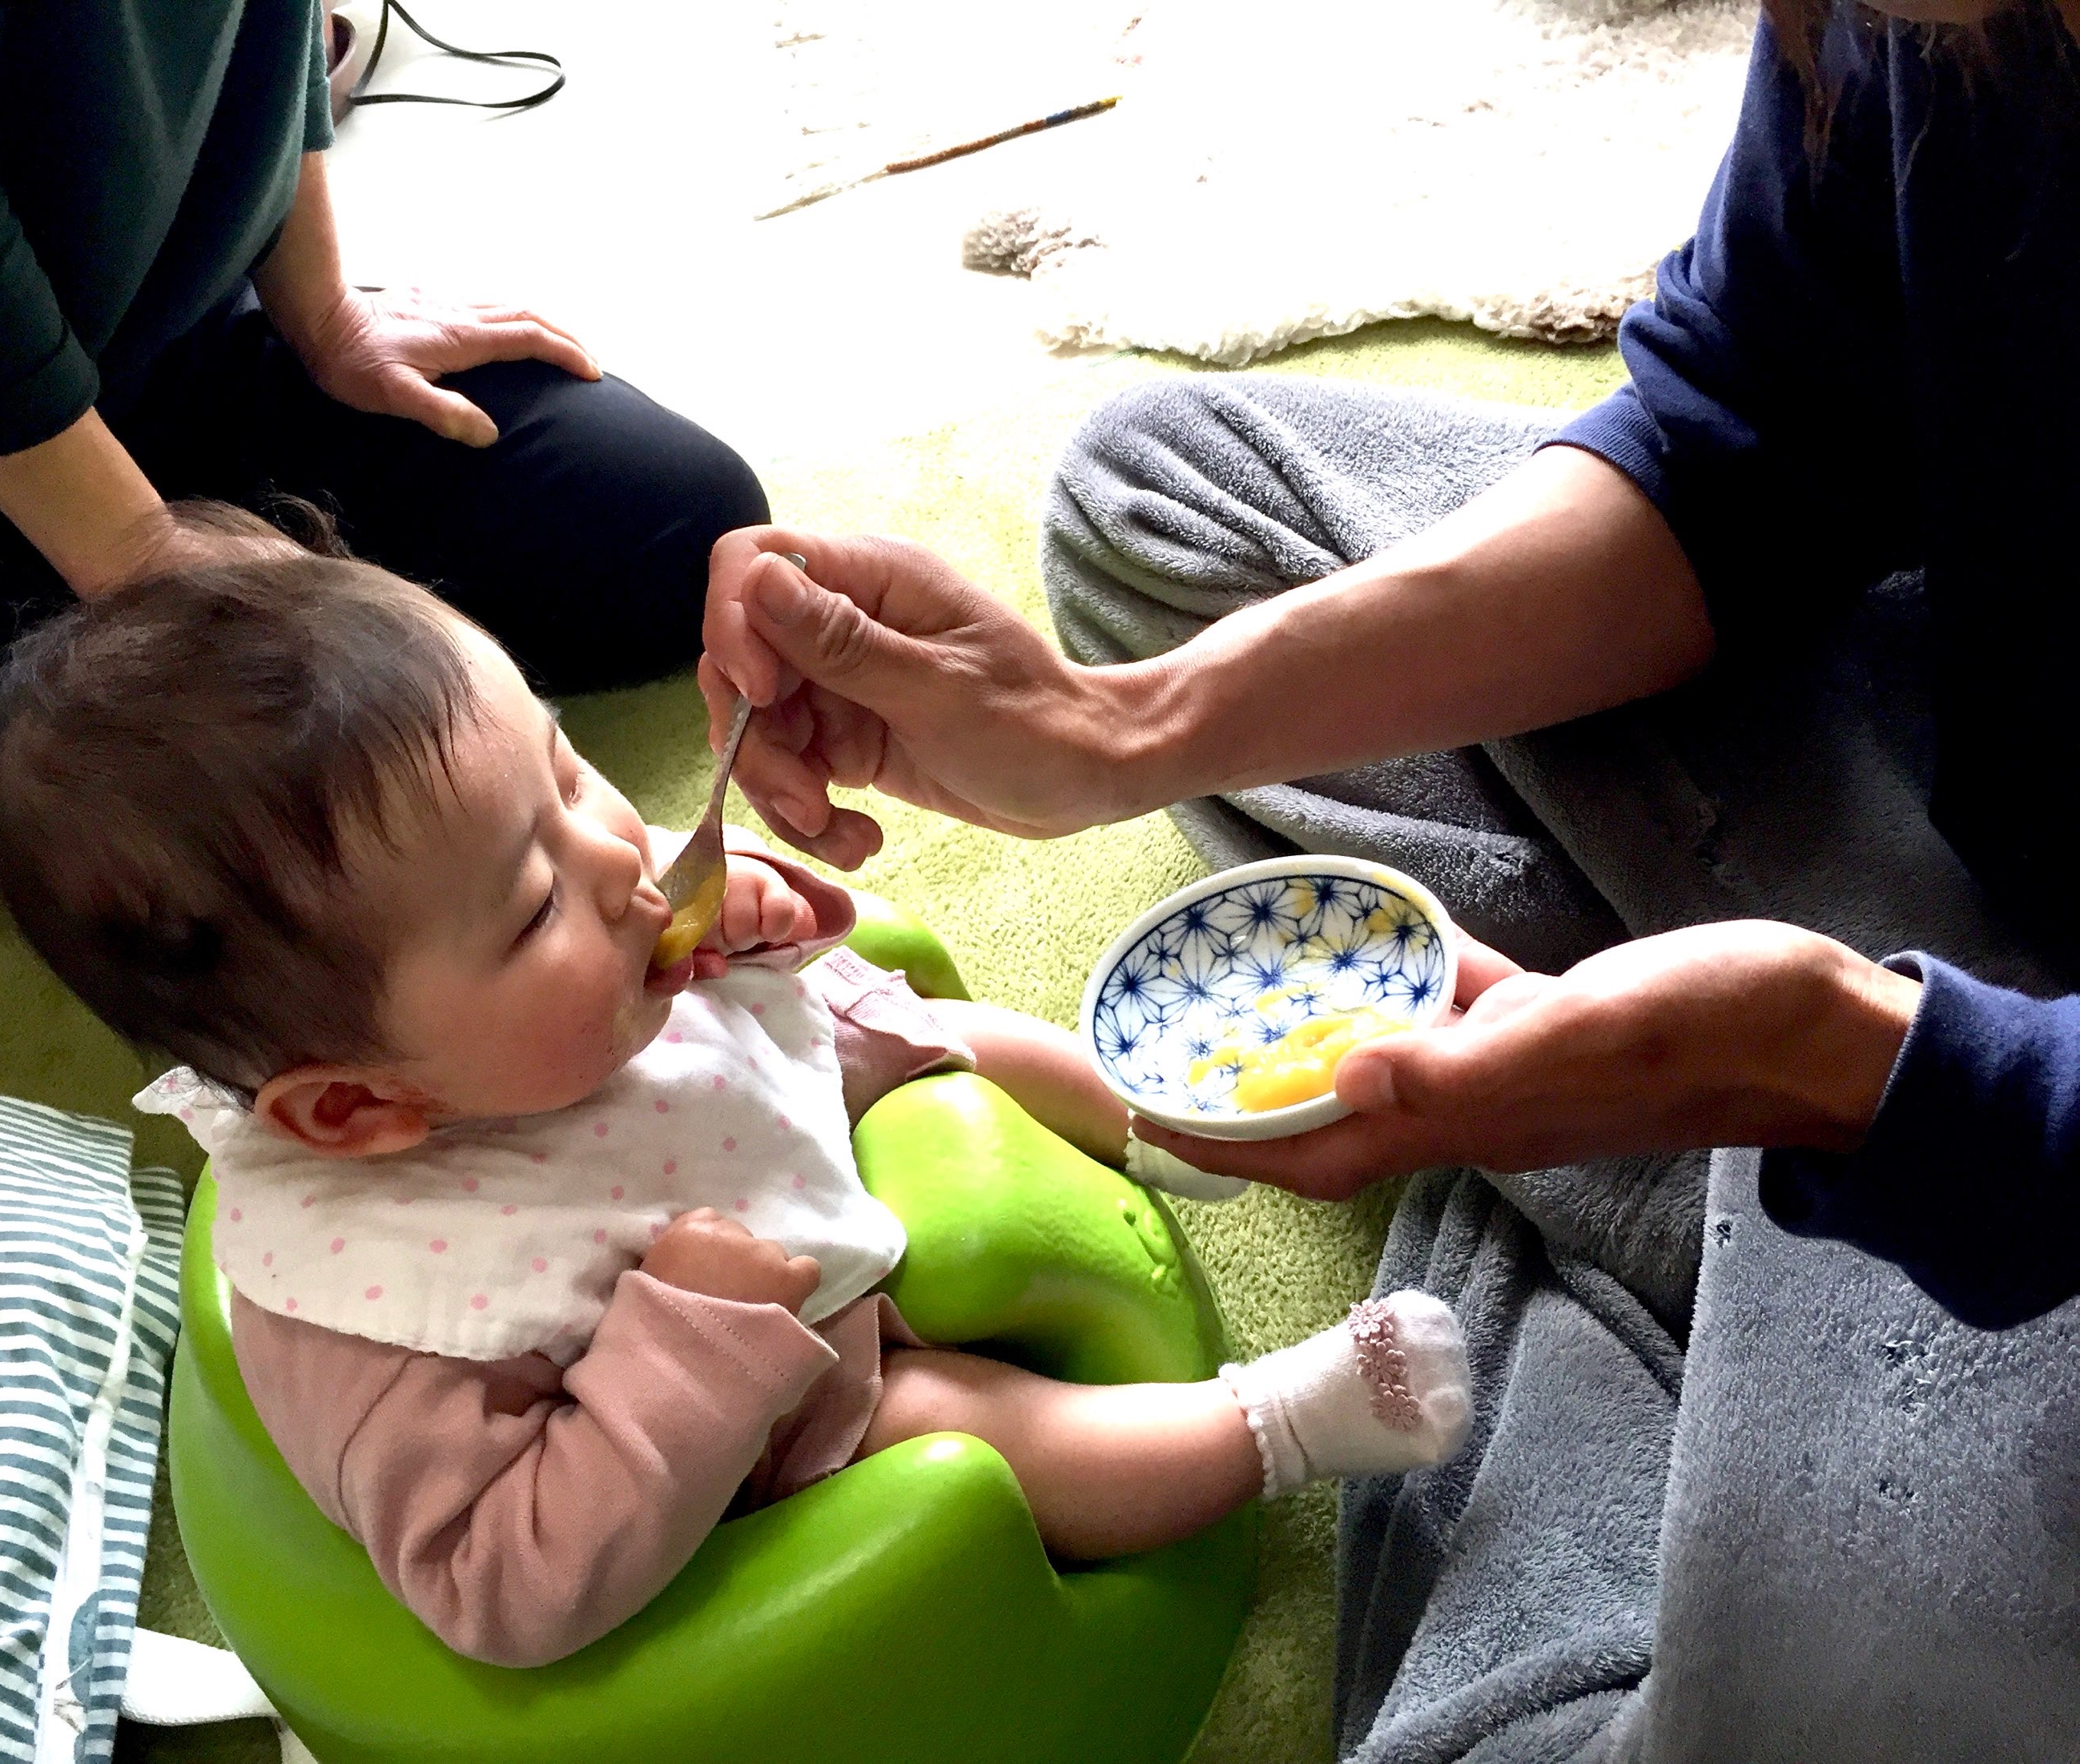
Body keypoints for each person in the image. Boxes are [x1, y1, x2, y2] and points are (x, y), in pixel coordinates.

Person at [695, 0, 2080, 1755]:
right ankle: (1746, 1203)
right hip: (1976, 796)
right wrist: (1118, 727)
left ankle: (1737, 1198)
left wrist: (1859, 1071)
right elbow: (1752, 421)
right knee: (1164, 511)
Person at [0, 512, 1475, 1669]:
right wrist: (680, 1342)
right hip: (763, 1400)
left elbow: (756, 962)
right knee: (970, 1437)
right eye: (534, 901)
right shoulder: (385, 1304)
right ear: (356, 1112)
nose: (619, 856)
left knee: (944, 1030)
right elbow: (499, 1587)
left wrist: (750, 919)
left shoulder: (538, 981)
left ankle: (1183, 1124)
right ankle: (1280, 1423)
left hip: (724, 1124)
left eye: (561, 770)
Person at [0, 0, 763, 782]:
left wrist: (321, 312)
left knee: (678, 534)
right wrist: (137, 559)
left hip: (164, 328)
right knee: (285, 873)